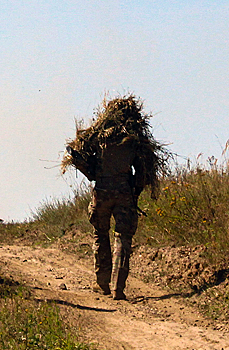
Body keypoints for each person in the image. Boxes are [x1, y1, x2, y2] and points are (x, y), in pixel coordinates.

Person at [65, 95, 169, 300]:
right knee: (123, 239)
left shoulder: (98, 136)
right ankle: (117, 288)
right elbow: (142, 172)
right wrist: (134, 192)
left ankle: (102, 283)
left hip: (101, 193)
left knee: (100, 234)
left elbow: (86, 163)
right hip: (124, 193)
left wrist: (91, 172)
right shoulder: (135, 140)